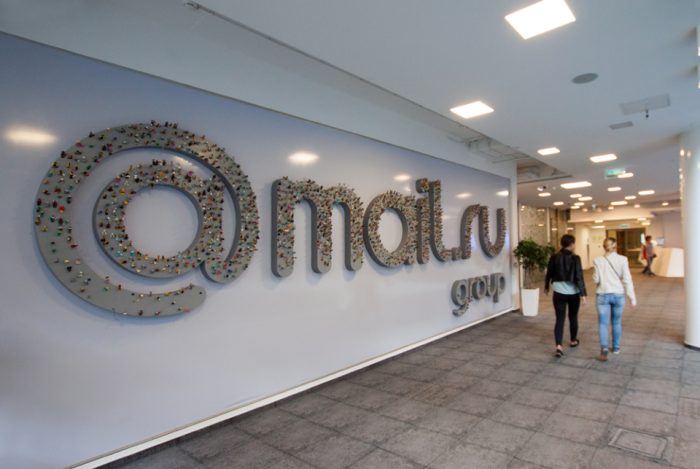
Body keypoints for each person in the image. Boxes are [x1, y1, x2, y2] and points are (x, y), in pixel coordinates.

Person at [593, 237, 636, 361]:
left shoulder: (597, 260)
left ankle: (604, 348)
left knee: (603, 323)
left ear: (603, 246)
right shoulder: (623, 259)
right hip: (618, 294)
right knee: (616, 322)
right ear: (615, 246)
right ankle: (616, 347)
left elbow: (596, 279)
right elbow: (627, 280)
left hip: (603, 294)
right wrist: (632, 298)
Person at [544, 234, 587, 357]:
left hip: (558, 292)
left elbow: (549, 272)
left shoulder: (554, 257)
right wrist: (583, 294)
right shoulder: (575, 258)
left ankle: (559, 346)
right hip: (573, 293)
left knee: (560, 319)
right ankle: (573, 341)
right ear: (572, 245)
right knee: (573, 316)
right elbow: (579, 276)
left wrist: (546, 286)